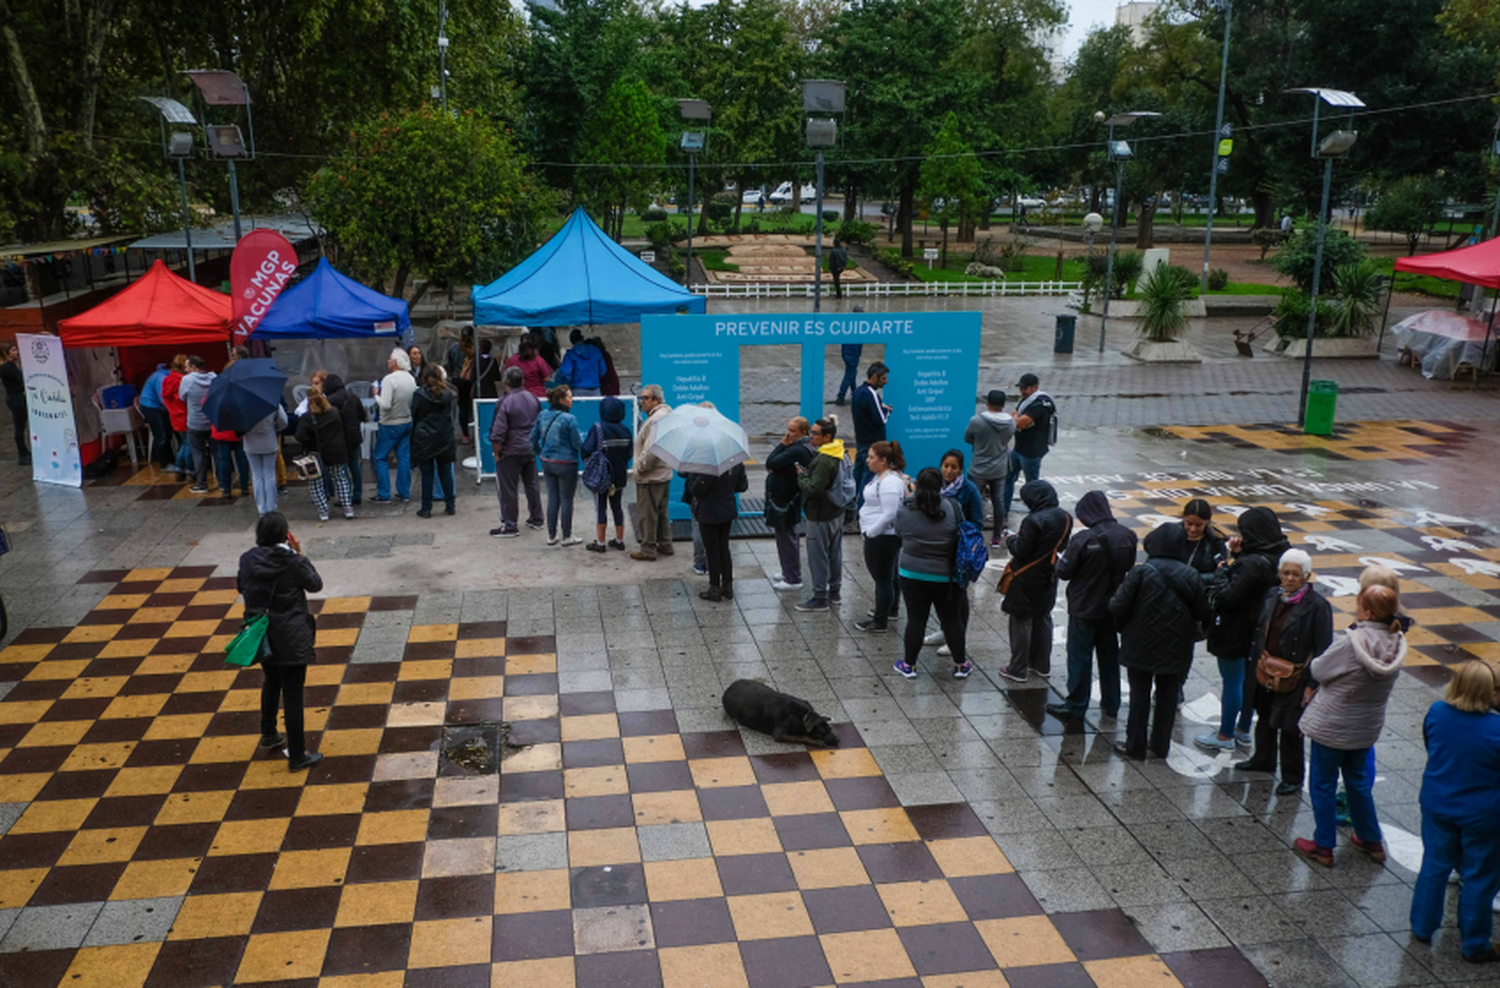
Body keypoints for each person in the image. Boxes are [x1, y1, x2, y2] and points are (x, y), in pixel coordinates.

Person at [1294, 584, 1406, 868]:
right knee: (1357, 782)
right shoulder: (1396, 642)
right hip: (1366, 726)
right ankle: (1371, 840)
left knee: (1322, 783)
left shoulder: (1351, 642)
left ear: (1367, 611)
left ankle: (1323, 845)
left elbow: (1318, 670)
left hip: (1333, 724)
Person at [1409, 661, 1500, 962]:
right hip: (1483, 815)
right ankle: (1474, 944)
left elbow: (1431, 746)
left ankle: (1422, 927)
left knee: (1434, 865)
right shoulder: (1496, 728)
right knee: (1478, 876)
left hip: (1437, 804)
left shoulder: (1436, 713)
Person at [1234, 548, 1334, 796]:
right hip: (1266, 669)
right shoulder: (1272, 595)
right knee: (1265, 717)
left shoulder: (1318, 606)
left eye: (1296, 574)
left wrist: (1312, 684)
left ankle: (1292, 775)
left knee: (1290, 727)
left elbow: (1323, 648)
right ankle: (1263, 758)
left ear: (1306, 576)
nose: (1290, 578)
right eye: (1286, 573)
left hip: (1296, 675)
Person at [1195, 507, 1291, 751]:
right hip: (1262, 629)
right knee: (1250, 679)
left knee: (1233, 680)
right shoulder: (1283, 555)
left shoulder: (1251, 564)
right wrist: (1241, 554)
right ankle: (1243, 729)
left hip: (1235, 629)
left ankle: (1225, 735)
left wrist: (1224, 568)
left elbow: (1227, 595)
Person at [1109, 525, 1207, 759]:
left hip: (1140, 643)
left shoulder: (1142, 572)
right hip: (1177, 646)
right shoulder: (1191, 575)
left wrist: (1125, 627)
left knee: (1139, 695)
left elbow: (1117, 605)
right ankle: (1161, 745)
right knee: (1168, 696)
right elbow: (1203, 612)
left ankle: (1135, 745)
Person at [237, 511, 323, 772]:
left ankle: (269, 732)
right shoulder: (292, 562)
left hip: (262, 632)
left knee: (272, 680)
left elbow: (242, 587)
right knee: (293, 693)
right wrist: (299, 554)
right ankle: (298, 755)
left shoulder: (248, 559)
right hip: (291, 633)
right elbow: (315, 585)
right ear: (286, 535)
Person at [1047, 491, 1137, 720]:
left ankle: (1076, 705)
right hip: (1112, 608)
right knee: (1109, 657)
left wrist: (1059, 560)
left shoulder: (1083, 539)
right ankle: (1112, 703)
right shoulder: (1128, 536)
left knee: (1080, 658)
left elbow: (1064, 572)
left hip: (1084, 607)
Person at [892, 467, 970, 680]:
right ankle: (961, 665)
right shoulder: (953, 507)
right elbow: (961, 532)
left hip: (911, 574)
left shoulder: (903, 511)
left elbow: (898, 533)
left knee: (916, 620)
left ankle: (909, 665)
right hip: (946, 575)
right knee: (952, 620)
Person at [999, 480, 1072, 683]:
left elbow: (1021, 550)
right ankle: (1041, 665)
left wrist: (1010, 539)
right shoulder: (1065, 517)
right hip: (1049, 574)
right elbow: (1062, 545)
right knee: (1043, 617)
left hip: (1026, 577)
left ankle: (1018, 668)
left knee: (1021, 619)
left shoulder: (1033, 521)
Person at [795, 415, 849, 613]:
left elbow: (813, 489)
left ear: (827, 437)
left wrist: (802, 477)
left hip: (820, 515)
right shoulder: (840, 450)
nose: (811, 436)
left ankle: (820, 597)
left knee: (818, 556)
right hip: (837, 511)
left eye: (815, 434)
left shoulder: (824, 459)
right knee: (835, 553)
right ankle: (835, 592)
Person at [856, 440, 907, 634]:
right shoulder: (884, 477)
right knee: (890, 574)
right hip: (884, 536)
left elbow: (890, 513)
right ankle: (890, 610)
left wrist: (871, 532)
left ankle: (880, 621)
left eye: (871, 457)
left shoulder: (889, 482)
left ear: (883, 460)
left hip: (883, 537)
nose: (867, 460)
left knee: (882, 578)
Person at [490, 366, 544, 537]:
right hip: (529, 449)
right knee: (532, 485)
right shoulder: (533, 398)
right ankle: (537, 518)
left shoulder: (505, 402)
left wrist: (497, 454)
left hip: (511, 450)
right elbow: (539, 423)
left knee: (508, 489)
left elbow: (498, 433)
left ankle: (510, 524)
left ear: (506, 381)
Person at [765, 417, 815, 591]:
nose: (788, 434)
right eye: (788, 429)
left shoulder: (797, 450)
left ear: (803, 432)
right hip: (788, 498)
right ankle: (788, 571)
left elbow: (770, 462)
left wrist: (781, 445)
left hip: (787, 500)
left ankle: (793, 578)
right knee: (785, 536)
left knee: (787, 537)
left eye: (793, 430)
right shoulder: (800, 447)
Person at [532, 384, 584, 546]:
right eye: (569, 396)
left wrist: (540, 452)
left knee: (553, 498)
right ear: (561, 400)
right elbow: (576, 443)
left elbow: (532, 438)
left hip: (547, 462)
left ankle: (551, 535)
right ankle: (567, 536)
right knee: (567, 499)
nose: (572, 399)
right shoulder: (570, 419)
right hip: (566, 463)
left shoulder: (542, 415)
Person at [690, 461, 748, 601]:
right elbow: (742, 486)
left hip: (709, 511)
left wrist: (693, 475)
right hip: (727, 509)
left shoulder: (708, 466)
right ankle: (727, 586)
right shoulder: (736, 463)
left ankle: (714, 587)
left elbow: (696, 490)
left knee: (712, 550)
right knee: (724, 547)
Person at [296, 387, 354, 522]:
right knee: (340, 479)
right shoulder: (335, 412)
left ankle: (323, 511)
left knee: (316, 483)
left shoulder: (308, 417)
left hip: (315, 455)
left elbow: (300, 436)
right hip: (337, 451)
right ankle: (347, 507)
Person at [966, 390, 1015, 547]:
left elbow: (967, 438)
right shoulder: (1011, 422)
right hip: (1000, 468)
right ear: (1003, 405)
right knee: (998, 502)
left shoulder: (977, 421)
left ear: (987, 404)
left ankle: (974, 534)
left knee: (975, 501)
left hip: (979, 467)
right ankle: (996, 537)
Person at [583, 395, 632, 552]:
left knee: (600, 508)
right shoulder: (626, 430)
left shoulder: (598, 428)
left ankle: (600, 542)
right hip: (620, 475)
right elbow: (629, 453)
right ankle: (619, 540)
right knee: (617, 507)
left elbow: (586, 449)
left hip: (601, 476)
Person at [630, 385, 674, 561]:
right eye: (642, 398)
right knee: (662, 512)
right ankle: (665, 544)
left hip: (651, 476)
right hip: (663, 474)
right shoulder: (665, 416)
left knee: (647, 515)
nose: (642, 402)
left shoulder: (656, 420)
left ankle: (648, 549)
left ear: (656, 400)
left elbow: (652, 451)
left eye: (646, 398)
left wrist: (640, 468)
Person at [410, 364, 457, 518]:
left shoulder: (419, 394)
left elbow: (415, 414)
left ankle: (426, 508)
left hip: (425, 437)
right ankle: (450, 505)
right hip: (444, 435)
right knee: (445, 472)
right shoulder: (448, 394)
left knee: (427, 473)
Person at [372, 348, 416, 503]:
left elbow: (385, 404)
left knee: (380, 457)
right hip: (406, 421)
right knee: (404, 458)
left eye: (390, 358)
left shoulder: (389, 380)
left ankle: (384, 494)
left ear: (396, 362)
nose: (388, 361)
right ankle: (404, 493)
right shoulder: (410, 378)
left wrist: (376, 394)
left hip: (390, 423)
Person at [851, 362, 891, 513]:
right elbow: (881, 419)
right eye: (884, 378)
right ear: (875, 377)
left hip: (861, 440)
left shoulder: (858, 392)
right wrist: (887, 410)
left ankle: (850, 508)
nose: (886, 382)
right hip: (873, 443)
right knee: (867, 481)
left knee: (857, 476)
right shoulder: (871, 394)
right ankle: (860, 513)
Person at [321, 373, 366, 506]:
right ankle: (357, 494)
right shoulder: (353, 396)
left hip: (340, 438)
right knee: (355, 465)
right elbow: (363, 416)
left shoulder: (330, 400)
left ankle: (346, 495)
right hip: (355, 436)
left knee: (342, 468)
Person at [178, 355, 217, 494]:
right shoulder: (213, 377)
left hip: (195, 422)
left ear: (194, 367)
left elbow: (182, 397)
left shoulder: (187, 380)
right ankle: (223, 482)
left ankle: (201, 484)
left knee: (198, 453)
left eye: (188, 367)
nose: (186, 370)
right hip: (212, 421)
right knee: (217, 452)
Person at [243, 402, 288, 516]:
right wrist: (275, 429)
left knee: (256, 475)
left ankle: (261, 508)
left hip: (250, 442)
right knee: (270, 474)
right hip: (269, 439)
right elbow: (283, 421)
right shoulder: (271, 401)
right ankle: (271, 506)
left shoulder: (243, 404)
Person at [1011, 373, 1055, 487]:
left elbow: (1019, 423)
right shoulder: (1027, 399)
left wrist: (1017, 420)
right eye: (1020, 388)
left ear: (1035, 387)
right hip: (1019, 448)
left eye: (1025, 388)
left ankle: (1033, 503)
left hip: (1032, 452)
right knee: (1008, 476)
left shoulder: (1040, 403)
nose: (1022, 391)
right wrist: (1017, 420)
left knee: (1031, 484)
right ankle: (1004, 504)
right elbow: (1013, 415)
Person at [138, 362, 174, 470]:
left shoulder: (162, 375)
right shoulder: (161, 378)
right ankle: (165, 463)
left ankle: (168, 459)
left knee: (167, 433)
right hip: (151, 407)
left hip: (157, 406)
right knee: (161, 435)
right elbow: (163, 398)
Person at [553, 329, 608, 397]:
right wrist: (594, 378)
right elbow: (603, 369)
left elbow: (565, 372)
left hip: (578, 390)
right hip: (595, 389)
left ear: (572, 341)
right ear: (582, 338)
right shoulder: (595, 350)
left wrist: (569, 382)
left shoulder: (570, 354)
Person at [1180, 499, 1226, 576]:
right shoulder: (1169, 534)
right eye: (1189, 524)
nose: (1193, 529)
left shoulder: (1215, 542)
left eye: (1198, 525)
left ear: (1207, 522)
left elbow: (1221, 572)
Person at [161, 354, 191, 475]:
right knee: (189, 444)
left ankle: (180, 467)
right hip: (185, 415)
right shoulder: (182, 381)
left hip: (174, 415)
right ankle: (190, 469)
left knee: (184, 442)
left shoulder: (167, 380)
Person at [1, 342, 29, 466]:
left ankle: (23, 451)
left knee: (20, 425)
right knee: (19, 426)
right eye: (13, 350)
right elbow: (20, 380)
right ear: (7, 353)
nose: (16, 352)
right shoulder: (6, 367)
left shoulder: (11, 366)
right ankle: (22, 453)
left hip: (16, 397)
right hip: (15, 398)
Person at [503, 334, 555, 399]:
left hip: (517, 396)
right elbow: (547, 378)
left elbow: (506, 377)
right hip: (537, 395)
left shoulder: (512, 360)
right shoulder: (539, 360)